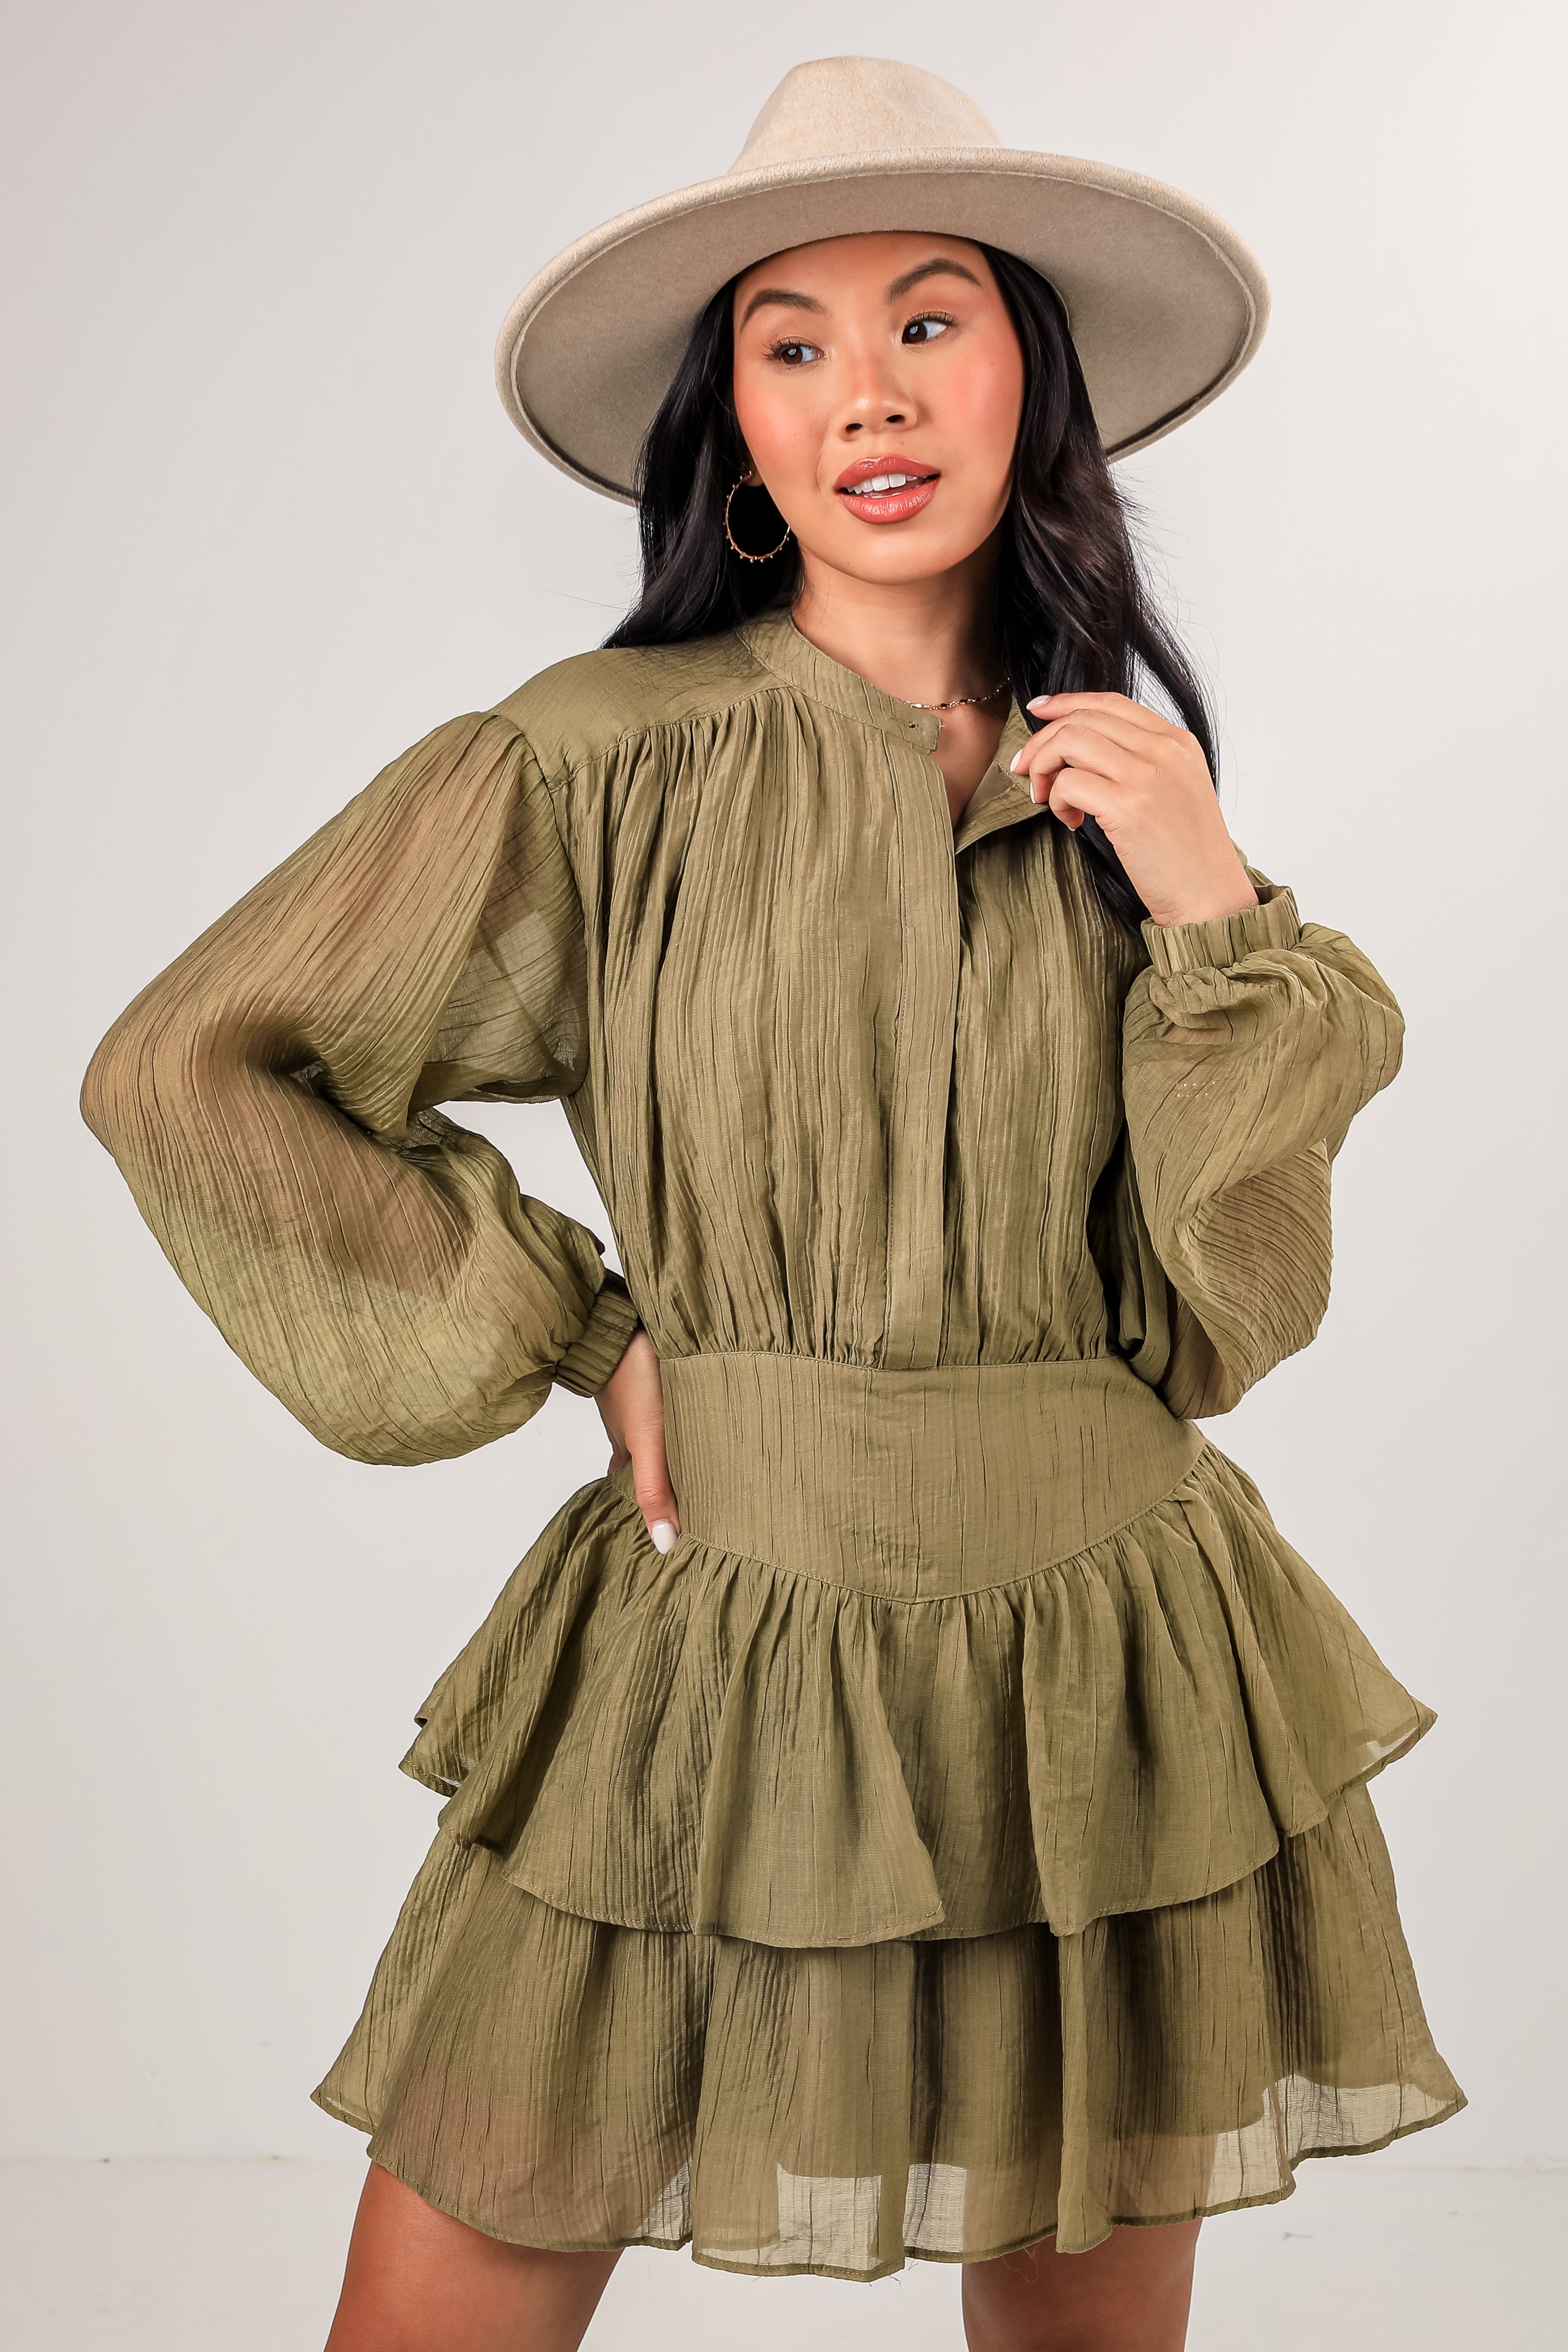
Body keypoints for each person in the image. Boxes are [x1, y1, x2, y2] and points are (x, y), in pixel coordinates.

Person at [81, 55, 1464, 2352]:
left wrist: (1217, 915)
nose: (868, 394)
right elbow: (190, 1067)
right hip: (726, 1634)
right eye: (791, 343)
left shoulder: (1130, 802)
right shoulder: (589, 764)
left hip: (1111, 1658)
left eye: (930, 321)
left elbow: (1219, 1325)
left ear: (1034, 373)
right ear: (732, 425)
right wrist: (584, 1326)